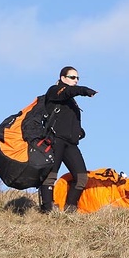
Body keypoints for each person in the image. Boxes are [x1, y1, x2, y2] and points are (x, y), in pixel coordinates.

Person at [38, 66, 97, 213]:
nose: (76, 80)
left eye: (77, 78)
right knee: (51, 175)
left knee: (82, 177)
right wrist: (84, 90)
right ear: (63, 78)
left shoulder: (70, 100)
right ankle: (48, 209)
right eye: (72, 77)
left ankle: (71, 209)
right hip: (55, 139)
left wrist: (79, 132)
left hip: (70, 143)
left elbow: (67, 119)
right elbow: (69, 91)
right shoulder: (55, 91)